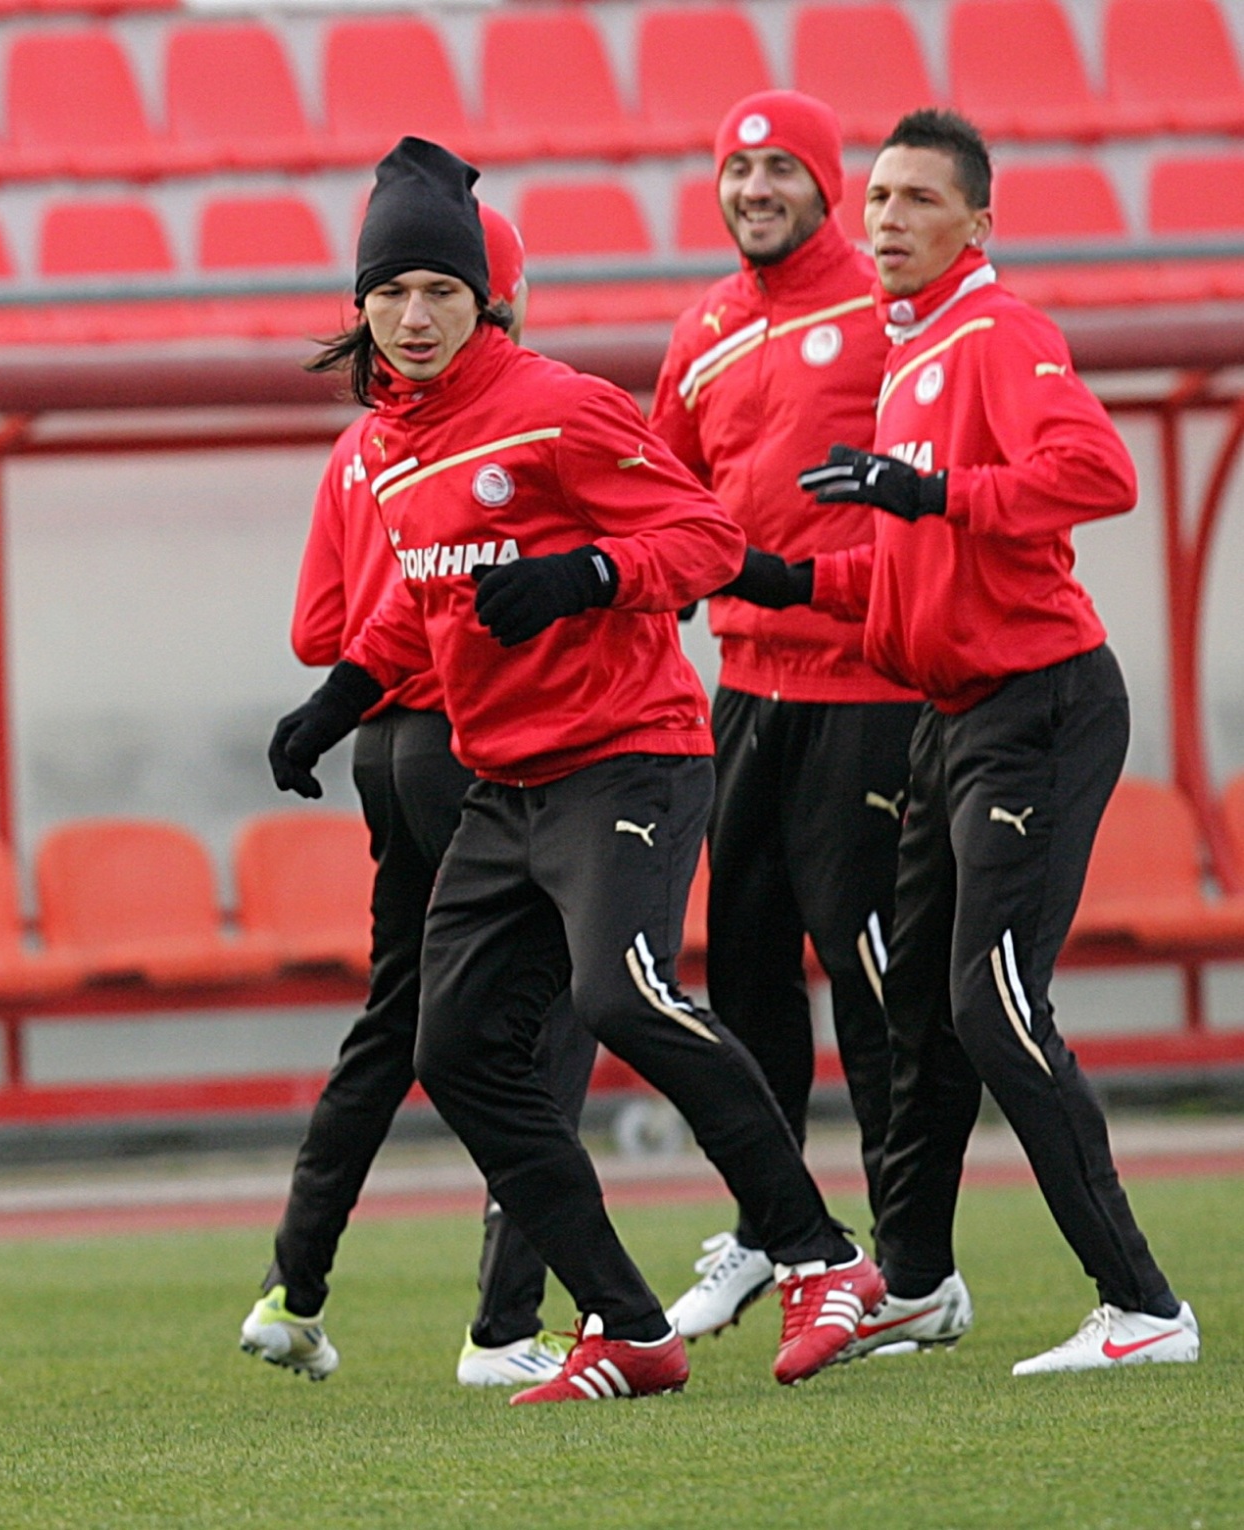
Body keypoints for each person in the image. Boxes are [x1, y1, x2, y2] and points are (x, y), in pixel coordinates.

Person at [273, 137, 885, 1405]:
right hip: (504, 787)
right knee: (451, 1052)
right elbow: (422, 608)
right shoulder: (391, 442)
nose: (414, 315)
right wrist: (333, 701)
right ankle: (627, 1323)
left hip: (626, 760)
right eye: (390, 294)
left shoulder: (557, 403)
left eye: (438, 291)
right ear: (362, 308)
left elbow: (704, 534)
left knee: (618, 997)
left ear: (478, 297)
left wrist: (585, 573)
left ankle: (821, 1257)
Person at [734, 109, 1198, 1374]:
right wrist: (772, 577)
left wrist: (931, 492)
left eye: (915, 201)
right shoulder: (910, 353)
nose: (883, 219)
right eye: (875, 197)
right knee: (922, 1015)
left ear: (975, 226)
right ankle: (919, 1283)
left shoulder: (999, 331)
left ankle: (1142, 1305)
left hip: (1037, 708)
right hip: (949, 722)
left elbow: (1098, 473)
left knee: (993, 1007)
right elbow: (907, 578)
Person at [247, 207, 598, 1392]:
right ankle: (504, 1324)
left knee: (393, 1020)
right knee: (534, 1025)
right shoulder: (486, 429)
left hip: (378, 752)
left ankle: (290, 1290)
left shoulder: (357, 448)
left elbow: (313, 629)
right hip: (478, 746)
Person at [646, 91, 918, 1341]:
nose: (754, 187)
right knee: (745, 977)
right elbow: (659, 496)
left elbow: (927, 499)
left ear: (824, 183)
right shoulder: (701, 326)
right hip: (742, 692)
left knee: (871, 984)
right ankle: (779, 1232)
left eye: (778, 168)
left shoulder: (882, 307)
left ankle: (912, 1267)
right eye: (735, 166)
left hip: (864, 687)